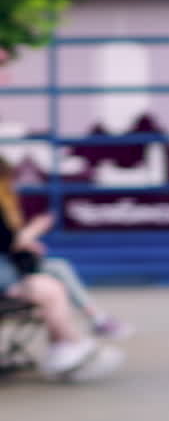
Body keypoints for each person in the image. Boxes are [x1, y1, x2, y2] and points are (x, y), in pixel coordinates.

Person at [0, 158, 126, 381]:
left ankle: (72, 342)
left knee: (56, 274)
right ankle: (72, 344)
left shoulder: (7, 202)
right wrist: (31, 233)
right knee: (52, 288)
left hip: (11, 270)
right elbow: (7, 242)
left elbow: (8, 242)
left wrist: (26, 244)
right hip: (7, 275)